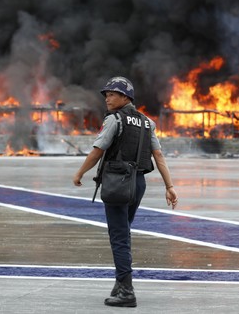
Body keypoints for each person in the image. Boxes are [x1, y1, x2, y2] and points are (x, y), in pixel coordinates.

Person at [73, 76, 179, 308]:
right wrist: (169, 186)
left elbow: (98, 150)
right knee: (123, 232)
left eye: (112, 94)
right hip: (137, 184)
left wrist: (79, 173)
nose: (107, 98)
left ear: (125, 97)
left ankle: (127, 291)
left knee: (119, 237)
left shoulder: (114, 120)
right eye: (106, 94)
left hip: (117, 183)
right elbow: (158, 155)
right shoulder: (146, 122)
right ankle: (120, 284)